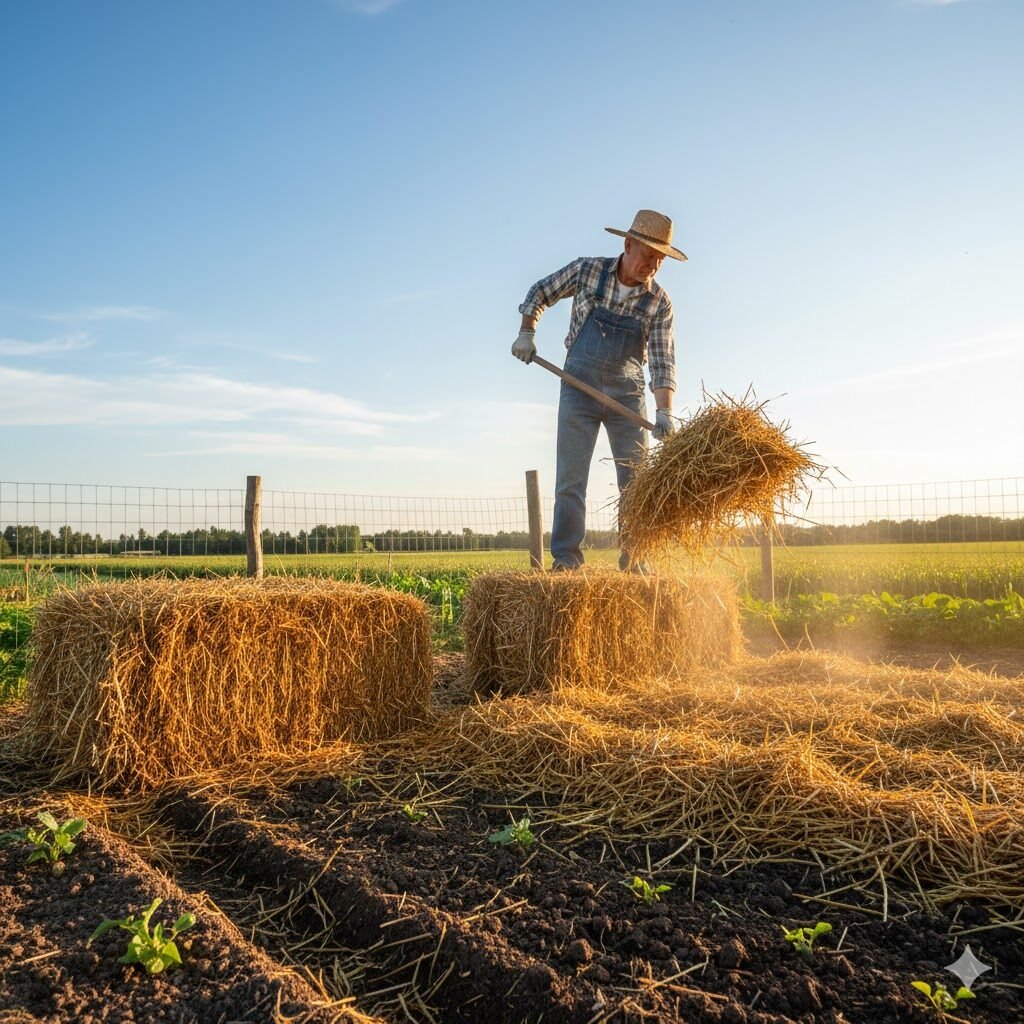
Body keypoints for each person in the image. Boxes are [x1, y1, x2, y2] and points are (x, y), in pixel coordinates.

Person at [512, 209, 686, 571]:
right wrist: (527, 332)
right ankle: (567, 560)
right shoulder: (587, 270)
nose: (653, 266)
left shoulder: (659, 302)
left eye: (660, 260)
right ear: (628, 244)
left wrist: (664, 411)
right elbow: (540, 292)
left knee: (636, 483)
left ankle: (636, 559)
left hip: (627, 397)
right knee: (571, 479)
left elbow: (662, 360)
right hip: (579, 389)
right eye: (648, 256)